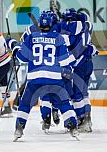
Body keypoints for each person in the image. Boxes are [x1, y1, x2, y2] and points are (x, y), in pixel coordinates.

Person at [11, 11, 79, 141]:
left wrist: (13, 46)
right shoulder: (58, 38)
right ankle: (72, 127)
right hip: (53, 78)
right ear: (53, 23)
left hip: (34, 80)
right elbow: (65, 61)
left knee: (25, 104)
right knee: (64, 103)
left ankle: (19, 128)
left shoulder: (31, 37)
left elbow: (22, 57)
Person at [60, 8, 98, 132]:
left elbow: (73, 48)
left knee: (77, 94)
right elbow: (92, 48)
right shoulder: (85, 27)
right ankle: (87, 120)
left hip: (80, 66)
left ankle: (81, 120)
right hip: (88, 64)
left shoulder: (75, 30)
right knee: (84, 93)